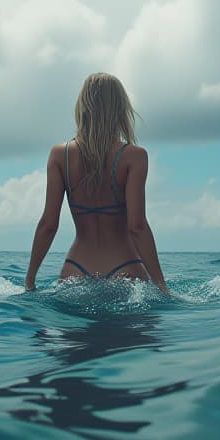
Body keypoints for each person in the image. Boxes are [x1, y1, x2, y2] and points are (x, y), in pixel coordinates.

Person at [24, 73, 169, 294]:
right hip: (125, 267)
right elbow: (137, 226)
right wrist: (162, 286)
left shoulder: (59, 155)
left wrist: (30, 280)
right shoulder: (134, 157)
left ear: (82, 107)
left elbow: (48, 224)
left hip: (76, 269)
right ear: (120, 109)